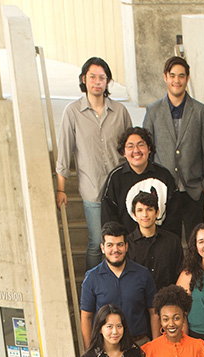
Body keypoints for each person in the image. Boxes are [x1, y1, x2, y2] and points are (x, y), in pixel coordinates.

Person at [55, 57, 132, 270]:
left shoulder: (120, 111)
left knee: (125, 242)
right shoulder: (72, 112)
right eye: (92, 77)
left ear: (107, 81)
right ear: (83, 79)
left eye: (102, 77)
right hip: (92, 190)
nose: (97, 81)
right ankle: (92, 289)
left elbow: (131, 148)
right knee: (96, 244)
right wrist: (61, 189)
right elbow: (64, 152)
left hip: (121, 189)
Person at [143, 56, 204, 244]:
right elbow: (147, 151)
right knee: (168, 243)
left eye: (181, 76)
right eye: (173, 76)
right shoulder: (153, 111)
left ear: (187, 78)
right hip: (164, 191)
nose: (177, 81)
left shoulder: (201, 111)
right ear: (165, 77)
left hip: (194, 190)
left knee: (195, 243)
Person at [80, 223, 159, 347]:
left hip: (139, 344)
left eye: (120, 245)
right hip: (106, 347)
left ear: (126, 246)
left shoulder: (143, 274)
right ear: (102, 248)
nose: (115, 250)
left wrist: (156, 346)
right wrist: (90, 352)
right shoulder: (92, 278)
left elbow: (154, 312)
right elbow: (86, 317)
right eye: (110, 245)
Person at [100, 127, 177, 231]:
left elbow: (174, 215)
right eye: (130, 146)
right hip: (127, 243)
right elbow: (109, 215)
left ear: (149, 149)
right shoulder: (115, 177)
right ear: (123, 152)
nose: (136, 151)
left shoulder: (164, 175)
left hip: (160, 243)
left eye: (141, 145)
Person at [128, 191, 183, 290]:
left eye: (149, 209)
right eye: (140, 210)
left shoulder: (173, 241)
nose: (145, 214)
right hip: (137, 300)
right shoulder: (127, 244)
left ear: (157, 213)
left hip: (168, 299)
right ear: (134, 215)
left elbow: (180, 273)